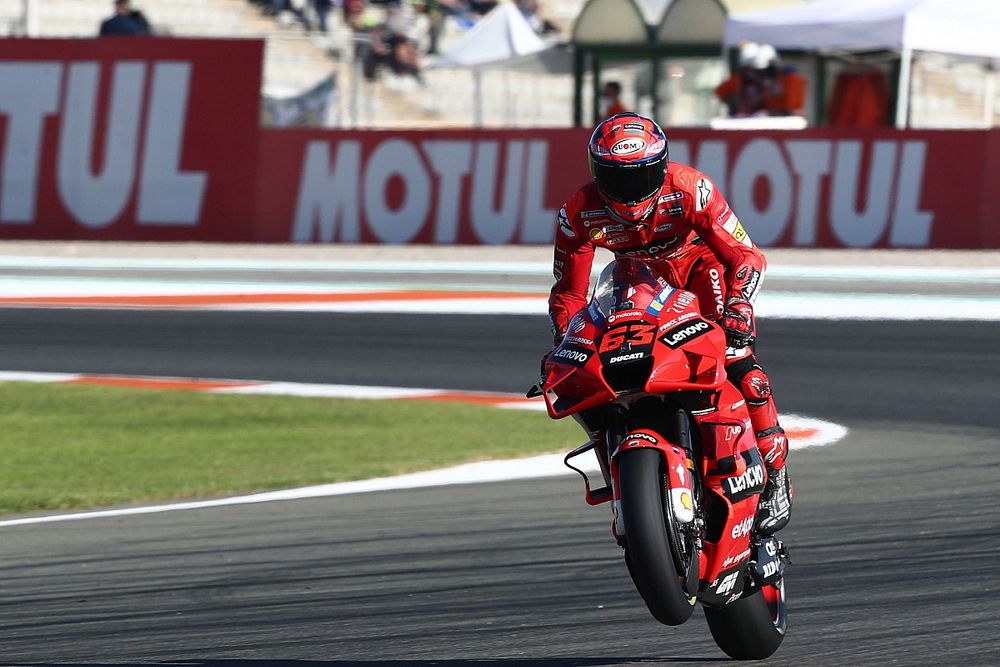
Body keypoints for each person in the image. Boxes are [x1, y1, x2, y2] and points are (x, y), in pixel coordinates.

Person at [548, 112, 791, 535]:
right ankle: (627, 476)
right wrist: (567, 339)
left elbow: (744, 255)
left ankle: (774, 470)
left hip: (701, 273)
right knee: (596, 377)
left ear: (661, 168)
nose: (628, 191)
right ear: (595, 173)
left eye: (639, 178)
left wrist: (739, 307)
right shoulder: (578, 213)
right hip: (637, 286)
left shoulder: (690, 189)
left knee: (739, 362)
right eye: (615, 178)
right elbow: (569, 293)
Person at [715, 42, 806, 117]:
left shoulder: (789, 79)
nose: (758, 74)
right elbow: (722, 92)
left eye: (764, 70)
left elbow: (793, 109)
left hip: (781, 122)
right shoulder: (738, 80)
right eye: (752, 69)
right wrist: (736, 104)